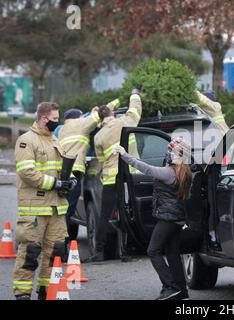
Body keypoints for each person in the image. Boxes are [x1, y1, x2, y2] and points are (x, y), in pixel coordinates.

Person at [13, 102, 77, 300]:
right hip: (35, 209)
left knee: (55, 253)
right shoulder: (26, 141)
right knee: (30, 254)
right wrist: (55, 183)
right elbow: (26, 172)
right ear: (43, 119)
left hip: (56, 209)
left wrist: (71, 179)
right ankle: (22, 294)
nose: (56, 123)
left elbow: (61, 168)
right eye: (55, 120)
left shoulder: (54, 140)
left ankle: (46, 292)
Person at [115, 136, 192, 300]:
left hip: (168, 219)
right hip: (177, 218)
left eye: (171, 151)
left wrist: (125, 155)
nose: (168, 153)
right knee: (172, 254)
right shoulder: (183, 171)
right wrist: (175, 142)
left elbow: (147, 169)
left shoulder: (168, 173)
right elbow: (174, 156)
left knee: (153, 250)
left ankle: (170, 286)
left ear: (177, 155)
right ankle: (182, 292)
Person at [83, 90, 141, 262]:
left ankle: (99, 251)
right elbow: (135, 110)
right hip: (127, 178)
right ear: (113, 114)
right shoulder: (124, 122)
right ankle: (126, 252)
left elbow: (100, 160)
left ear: (100, 120)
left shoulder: (99, 136)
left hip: (109, 179)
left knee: (104, 216)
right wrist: (134, 95)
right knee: (126, 213)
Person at [57, 99, 120, 243]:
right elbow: (100, 114)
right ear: (79, 117)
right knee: (69, 210)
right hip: (76, 171)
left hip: (64, 172)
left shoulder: (62, 130)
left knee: (65, 209)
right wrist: (115, 102)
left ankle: (60, 244)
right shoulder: (81, 124)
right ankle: (61, 246)